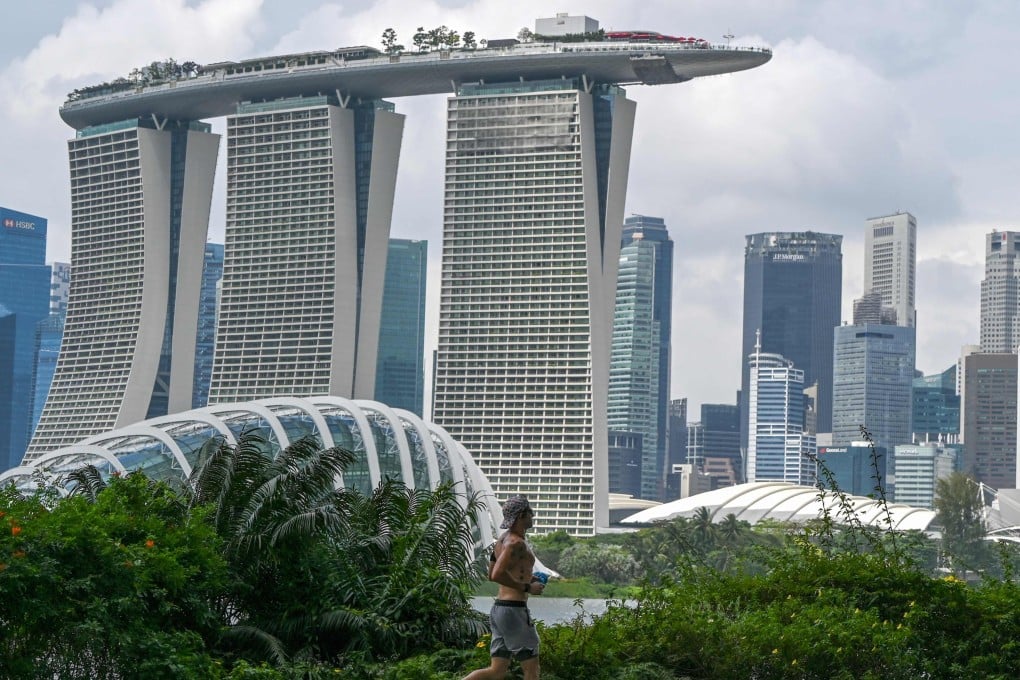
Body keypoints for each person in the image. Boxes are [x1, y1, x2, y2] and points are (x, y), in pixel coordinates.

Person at [463, 495, 545, 680]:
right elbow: (496, 574)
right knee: (532, 670)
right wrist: (527, 588)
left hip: (500, 610)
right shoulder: (515, 543)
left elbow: (492, 572)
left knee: (497, 671)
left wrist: (528, 578)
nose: (533, 515)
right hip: (514, 611)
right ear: (522, 515)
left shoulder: (502, 541)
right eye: (530, 512)